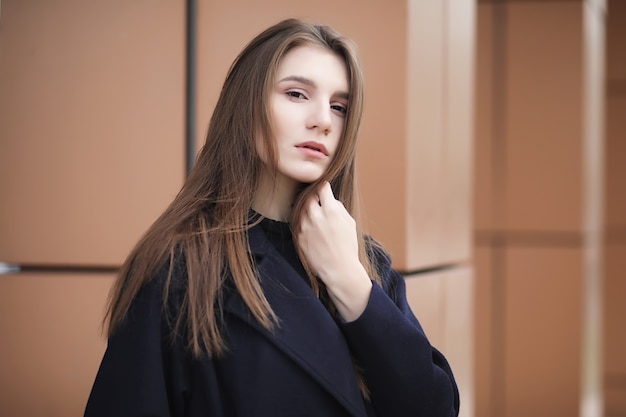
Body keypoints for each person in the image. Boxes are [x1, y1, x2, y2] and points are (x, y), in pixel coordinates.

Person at [84, 18, 460, 417]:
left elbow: (434, 408)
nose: (324, 120)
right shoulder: (183, 268)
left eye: (339, 106)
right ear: (246, 105)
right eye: (297, 94)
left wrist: (351, 284)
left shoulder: (365, 263)